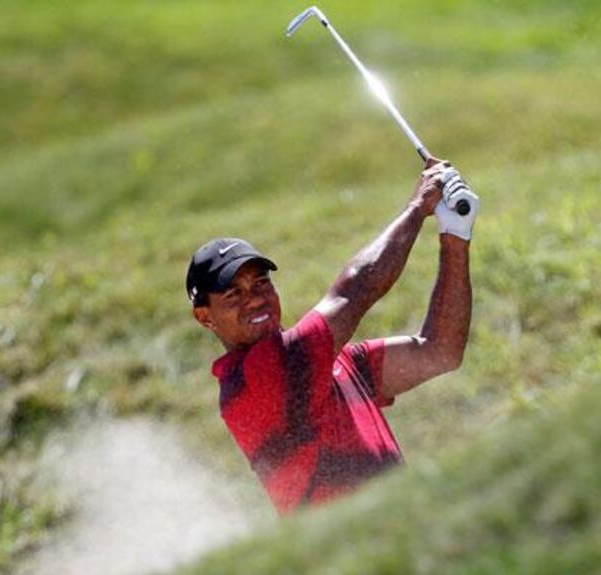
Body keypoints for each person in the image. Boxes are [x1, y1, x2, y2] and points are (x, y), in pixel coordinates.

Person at [185, 157, 479, 515]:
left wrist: (455, 237)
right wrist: (419, 207)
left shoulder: (331, 362)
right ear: (205, 317)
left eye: (261, 282)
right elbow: (354, 291)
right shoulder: (256, 380)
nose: (255, 298)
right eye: (233, 294)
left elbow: (440, 352)